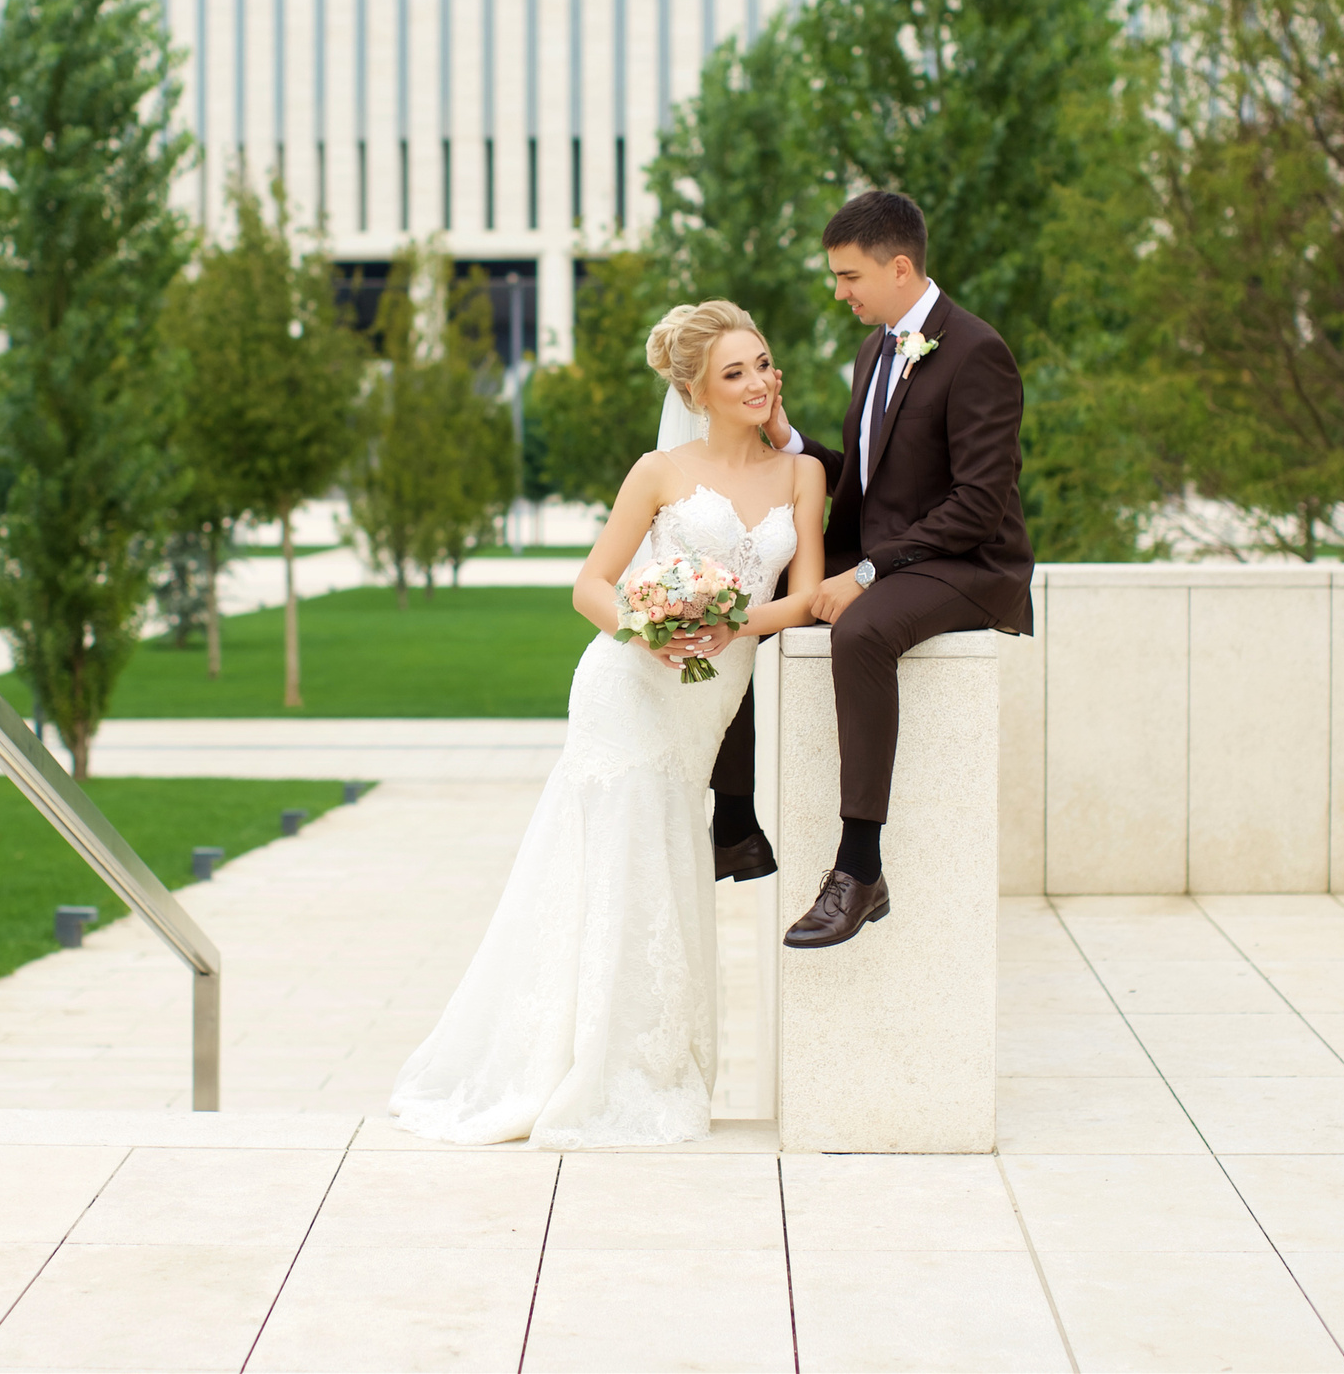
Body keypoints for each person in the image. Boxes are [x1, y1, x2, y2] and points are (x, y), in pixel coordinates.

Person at [391, 301, 826, 1148]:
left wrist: (732, 624)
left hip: (708, 695)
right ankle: (592, 1068)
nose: (757, 381)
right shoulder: (658, 470)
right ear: (696, 392)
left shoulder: (801, 475)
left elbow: (806, 597)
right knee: (615, 858)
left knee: (665, 852)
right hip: (628, 685)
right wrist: (645, 628)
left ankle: (647, 1059)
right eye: (734, 372)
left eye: (762, 363)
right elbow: (591, 583)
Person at [714, 189, 1033, 950]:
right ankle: (734, 825)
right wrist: (789, 440)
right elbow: (865, 483)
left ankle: (860, 867)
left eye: (848, 276)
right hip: (895, 553)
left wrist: (863, 575)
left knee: (860, 632)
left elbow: (977, 505)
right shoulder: (875, 350)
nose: (839, 293)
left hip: (969, 561)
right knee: (749, 604)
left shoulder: (977, 352)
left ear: (898, 268)